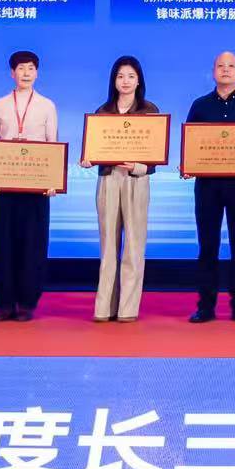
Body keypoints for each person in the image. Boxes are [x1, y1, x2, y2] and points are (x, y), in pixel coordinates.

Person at [186, 51, 235, 324]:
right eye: (221, 66)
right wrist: (188, 164)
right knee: (207, 246)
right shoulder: (200, 106)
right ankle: (205, 306)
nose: (226, 70)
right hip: (207, 187)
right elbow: (190, 144)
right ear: (213, 72)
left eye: (231, 66)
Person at [0, 49, 59, 322]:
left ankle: (27, 303)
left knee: (33, 245)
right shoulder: (0, 104)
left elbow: (53, 144)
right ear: (12, 73)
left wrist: (52, 181)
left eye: (30, 68)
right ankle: (5, 304)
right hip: (4, 186)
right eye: (20, 68)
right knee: (3, 244)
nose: (26, 73)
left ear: (37, 73)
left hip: (35, 187)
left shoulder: (47, 105)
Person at [88, 56, 159, 323]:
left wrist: (138, 166)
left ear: (139, 80)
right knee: (108, 245)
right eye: (120, 76)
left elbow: (155, 154)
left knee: (133, 245)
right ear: (113, 81)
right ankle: (104, 308)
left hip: (136, 179)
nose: (125, 81)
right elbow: (93, 148)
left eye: (130, 76)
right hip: (109, 179)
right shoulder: (102, 111)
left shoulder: (149, 111)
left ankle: (128, 308)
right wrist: (88, 158)